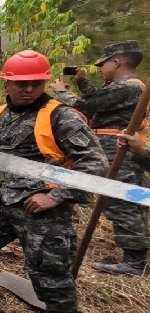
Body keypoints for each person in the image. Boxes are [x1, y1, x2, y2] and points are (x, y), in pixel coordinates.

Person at [0, 50, 108, 313]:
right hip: (5, 200)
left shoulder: (61, 116)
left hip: (45, 211)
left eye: (36, 83)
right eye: (21, 83)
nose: (29, 89)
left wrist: (55, 196)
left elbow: (96, 164)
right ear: (6, 83)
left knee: (50, 277)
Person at [50, 40, 149, 276]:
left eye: (103, 64)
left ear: (117, 62)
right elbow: (98, 98)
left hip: (118, 151)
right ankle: (137, 253)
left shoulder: (130, 87)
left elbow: (87, 105)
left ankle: (135, 260)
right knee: (123, 198)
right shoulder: (121, 87)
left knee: (120, 200)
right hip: (113, 148)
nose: (102, 69)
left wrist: (62, 92)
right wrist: (81, 80)